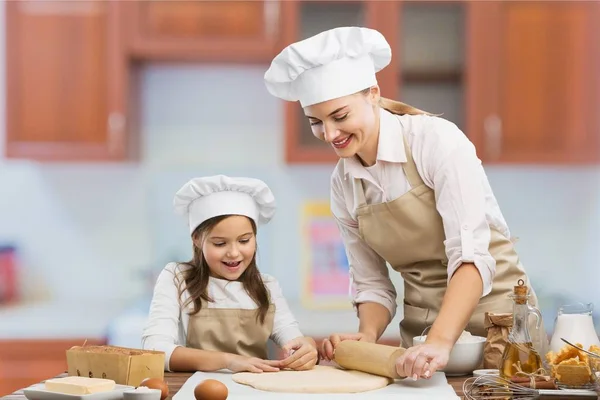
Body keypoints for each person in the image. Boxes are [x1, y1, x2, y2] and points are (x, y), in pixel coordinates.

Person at [263, 27, 546, 380]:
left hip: (500, 327)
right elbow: (372, 284)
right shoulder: (343, 183)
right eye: (315, 123)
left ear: (373, 94)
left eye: (340, 116)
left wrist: (443, 340)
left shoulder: (435, 141)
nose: (330, 134)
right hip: (424, 337)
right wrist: (366, 335)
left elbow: (472, 255)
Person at [142, 175, 318, 373]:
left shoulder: (267, 286)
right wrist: (228, 361)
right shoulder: (177, 278)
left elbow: (292, 337)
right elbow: (155, 350)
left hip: (253, 391)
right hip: (193, 389)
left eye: (244, 241)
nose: (234, 253)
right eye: (220, 243)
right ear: (197, 239)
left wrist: (306, 346)